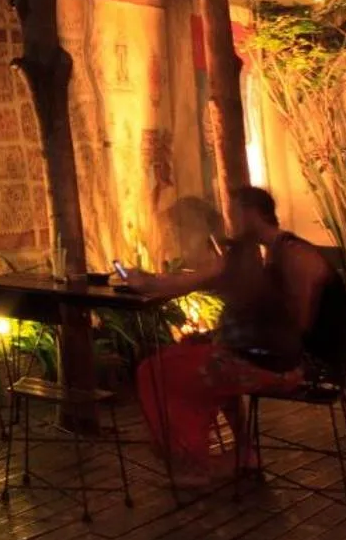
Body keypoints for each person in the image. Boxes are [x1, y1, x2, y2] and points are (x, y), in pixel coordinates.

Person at [134, 186, 333, 486]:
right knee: (192, 355)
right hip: (263, 356)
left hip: (276, 365)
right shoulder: (263, 255)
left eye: (235, 213)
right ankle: (243, 453)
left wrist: (143, 282)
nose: (232, 221)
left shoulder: (282, 254)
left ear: (250, 214)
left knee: (160, 370)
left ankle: (193, 463)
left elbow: (175, 285)